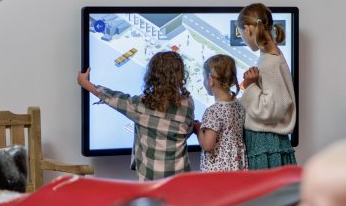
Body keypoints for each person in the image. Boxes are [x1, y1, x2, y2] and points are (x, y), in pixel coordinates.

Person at [77, 50, 194, 181]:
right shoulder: (187, 103)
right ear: (180, 76)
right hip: (180, 180)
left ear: (151, 76)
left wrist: (85, 83)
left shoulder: (141, 105)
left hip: (150, 180)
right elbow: (186, 132)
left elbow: (113, 97)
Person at [236, 3, 297, 169]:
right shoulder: (271, 56)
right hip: (267, 143)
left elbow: (271, 109)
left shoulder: (270, 63)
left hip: (265, 144)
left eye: (241, 34)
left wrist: (250, 86)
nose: (242, 38)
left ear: (248, 30)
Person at [193, 54, 247, 172]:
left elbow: (208, 145)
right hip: (237, 168)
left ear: (210, 80)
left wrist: (198, 130)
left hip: (218, 173)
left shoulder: (213, 111)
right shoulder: (239, 106)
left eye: (203, 77)